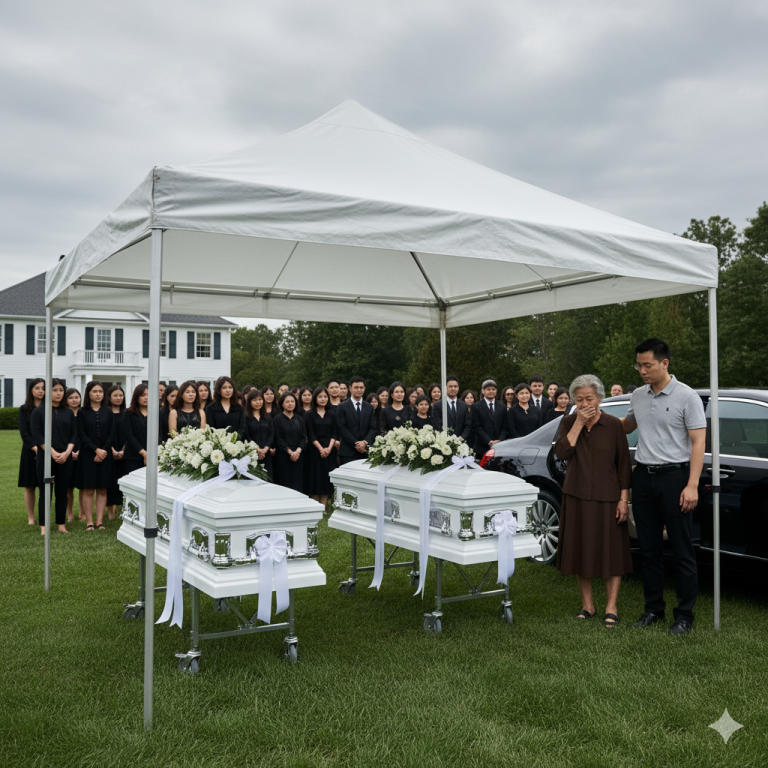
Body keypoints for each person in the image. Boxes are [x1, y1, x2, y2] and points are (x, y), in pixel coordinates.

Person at [621, 338, 706, 636]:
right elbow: (628, 426)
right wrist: (596, 420)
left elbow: (698, 443)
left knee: (682, 551)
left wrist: (692, 485)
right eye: (638, 365)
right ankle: (653, 609)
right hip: (643, 478)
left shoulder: (687, 397)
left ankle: (684, 615)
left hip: (676, 479)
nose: (642, 371)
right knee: (649, 550)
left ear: (664, 363)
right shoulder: (639, 397)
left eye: (648, 365)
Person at [555, 375, 632, 627]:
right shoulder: (568, 422)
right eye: (579, 399)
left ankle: (612, 606)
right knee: (580, 550)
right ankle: (587, 605)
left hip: (608, 497)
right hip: (576, 496)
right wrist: (578, 423)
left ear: (599, 398)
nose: (585, 403)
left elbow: (623, 466)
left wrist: (623, 500)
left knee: (612, 554)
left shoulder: (613, 425)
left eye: (589, 398)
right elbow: (562, 452)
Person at [30, 379, 77, 536]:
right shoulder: (39, 411)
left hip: (66, 457)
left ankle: (61, 525)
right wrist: (52, 452)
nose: (58, 393)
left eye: (61, 390)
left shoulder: (68, 412)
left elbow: (73, 435)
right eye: (55, 390)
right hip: (46, 457)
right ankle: (43, 526)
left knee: (62, 492)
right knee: (45, 492)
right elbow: (37, 434)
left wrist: (67, 453)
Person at [77, 380, 116, 531]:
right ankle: (89, 522)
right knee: (88, 489)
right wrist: (95, 450)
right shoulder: (82, 412)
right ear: (88, 393)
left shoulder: (108, 411)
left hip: (105, 456)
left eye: (100, 391)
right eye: (94, 391)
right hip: (88, 455)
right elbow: (81, 433)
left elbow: (112, 433)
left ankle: (100, 522)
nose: (98, 394)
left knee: (102, 489)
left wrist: (103, 451)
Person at [304, 386, 338, 507]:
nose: (323, 399)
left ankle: (323, 507)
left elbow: (335, 433)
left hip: (329, 449)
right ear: (315, 398)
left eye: (325, 397)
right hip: (314, 449)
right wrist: (320, 449)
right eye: (320, 397)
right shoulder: (309, 415)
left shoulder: (332, 414)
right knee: (314, 477)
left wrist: (329, 448)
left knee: (326, 477)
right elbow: (310, 434)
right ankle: (314, 506)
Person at [18, 378, 44, 525]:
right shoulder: (24, 409)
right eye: (37, 388)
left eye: (43, 388)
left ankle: (43, 516)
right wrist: (34, 447)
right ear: (31, 391)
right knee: (30, 486)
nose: (41, 391)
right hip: (30, 451)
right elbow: (24, 431)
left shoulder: (49, 408)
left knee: (44, 485)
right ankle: (31, 518)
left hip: (47, 450)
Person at [336, 376, 376, 464]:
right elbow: (341, 428)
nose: (359, 390)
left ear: (364, 388)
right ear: (350, 388)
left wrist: (365, 443)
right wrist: (356, 444)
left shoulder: (369, 407)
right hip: (348, 452)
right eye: (356, 387)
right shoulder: (342, 407)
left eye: (361, 387)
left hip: (366, 452)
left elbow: (373, 427)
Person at [272, 391, 306, 491]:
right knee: (284, 486)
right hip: (283, 456)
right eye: (287, 402)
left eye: (292, 401)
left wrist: (298, 451)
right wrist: (290, 452)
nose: (290, 404)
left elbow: (304, 437)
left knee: (298, 486)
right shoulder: (276, 420)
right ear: (282, 404)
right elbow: (278, 439)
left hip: (299, 456)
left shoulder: (300, 419)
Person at [470, 380, 507, 460]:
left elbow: (505, 426)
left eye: (493, 389)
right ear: (483, 391)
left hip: (499, 448)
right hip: (482, 448)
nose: (491, 391)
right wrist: (489, 441)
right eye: (488, 389)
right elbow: (476, 427)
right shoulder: (476, 407)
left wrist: (499, 440)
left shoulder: (502, 406)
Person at [105, 384, 126, 520]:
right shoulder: (105, 413)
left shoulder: (127, 413)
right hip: (108, 451)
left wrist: (123, 450)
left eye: (121, 395)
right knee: (110, 482)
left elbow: (129, 433)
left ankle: (122, 510)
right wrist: (112, 450)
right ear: (109, 397)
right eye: (115, 395)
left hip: (125, 452)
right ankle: (110, 513)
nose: (118, 398)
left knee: (123, 482)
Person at [64, 387, 84, 523]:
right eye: (71, 397)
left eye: (76, 397)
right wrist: (70, 452)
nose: (74, 400)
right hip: (66, 452)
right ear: (66, 400)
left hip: (84, 452)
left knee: (83, 486)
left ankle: (83, 513)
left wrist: (80, 450)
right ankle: (69, 513)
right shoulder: (64, 414)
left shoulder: (84, 413)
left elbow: (86, 435)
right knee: (68, 486)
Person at [245, 389, 274, 479]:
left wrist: (265, 449)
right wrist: (257, 450)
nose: (258, 402)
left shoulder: (267, 417)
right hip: (252, 455)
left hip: (267, 454)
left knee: (268, 480)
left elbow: (271, 433)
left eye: (260, 399)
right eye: (254, 400)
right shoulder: (245, 418)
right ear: (249, 402)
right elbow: (246, 436)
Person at [205, 376, 246, 442]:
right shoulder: (211, 408)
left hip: (236, 446)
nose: (228, 390)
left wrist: (234, 440)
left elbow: (242, 428)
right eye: (224, 388)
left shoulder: (240, 408)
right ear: (218, 391)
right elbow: (210, 429)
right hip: (217, 446)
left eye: (230, 387)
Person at [432, 376, 471, 440]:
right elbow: (437, 426)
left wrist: (461, 439)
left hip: (461, 444)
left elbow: (467, 425)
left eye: (455, 386)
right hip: (444, 443)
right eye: (450, 386)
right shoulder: (438, 405)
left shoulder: (463, 405)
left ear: (458, 388)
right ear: (445, 388)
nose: (453, 389)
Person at [124, 384, 149, 474]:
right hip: (133, 457)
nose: (146, 397)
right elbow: (129, 435)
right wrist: (143, 453)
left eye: (148, 395)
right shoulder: (128, 413)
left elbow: (159, 434)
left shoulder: (157, 413)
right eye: (143, 395)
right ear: (136, 397)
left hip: (153, 456)